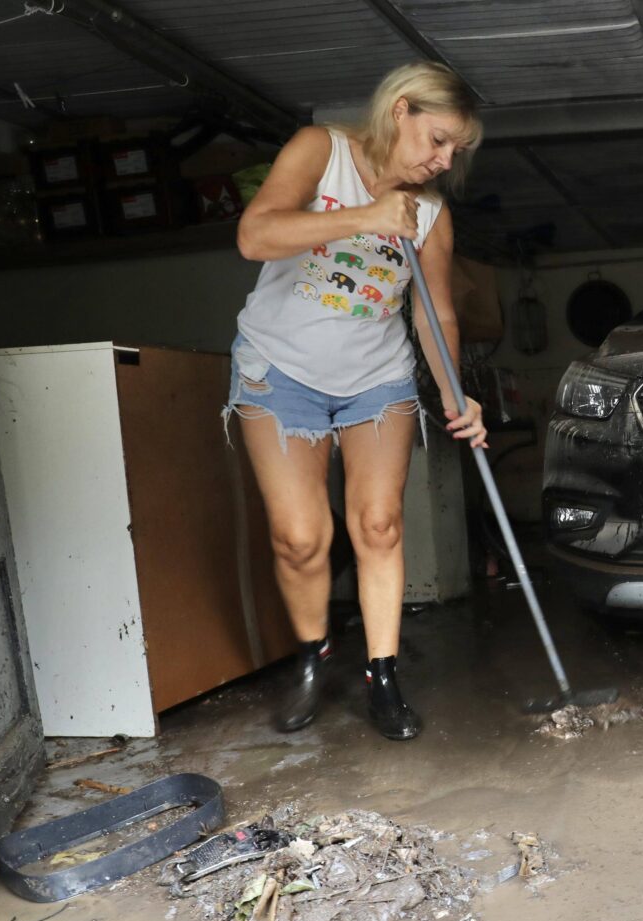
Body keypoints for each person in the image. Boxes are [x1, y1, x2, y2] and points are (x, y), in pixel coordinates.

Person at [228, 63, 486, 741]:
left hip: (378, 379)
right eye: (438, 140)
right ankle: (312, 657)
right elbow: (255, 235)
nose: (444, 160)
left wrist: (456, 395)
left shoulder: (432, 214)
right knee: (300, 538)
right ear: (400, 111)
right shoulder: (322, 151)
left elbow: (434, 314)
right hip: (280, 372)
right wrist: (370, 216)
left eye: (455, 150)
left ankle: (383, 674)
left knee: (378, 526)